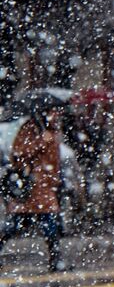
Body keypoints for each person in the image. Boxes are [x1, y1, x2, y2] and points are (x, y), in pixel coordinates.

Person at [0, 104, 67, 272]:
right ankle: (56, 260)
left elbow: (54, 162)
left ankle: (55, 260)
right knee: (19, 225)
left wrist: (56, 180)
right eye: (53, 112)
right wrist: (40, 143)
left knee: (48, 226)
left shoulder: (50, 130)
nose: (56, 115)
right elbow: (18, 154)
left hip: (45, 186)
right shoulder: (31, 130)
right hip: (32, 187)